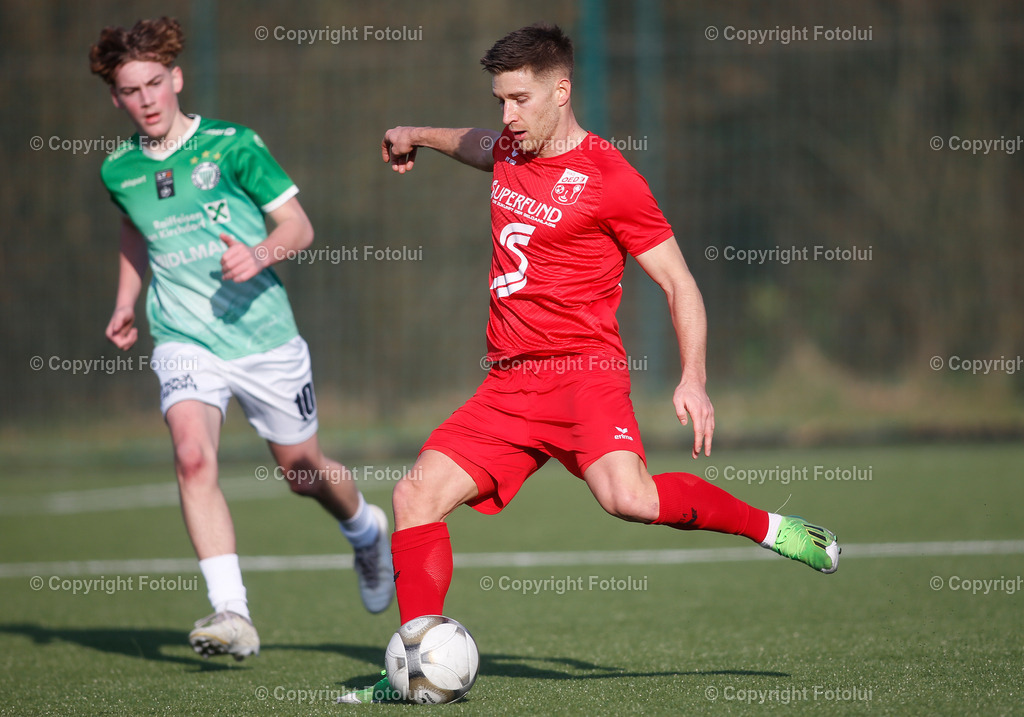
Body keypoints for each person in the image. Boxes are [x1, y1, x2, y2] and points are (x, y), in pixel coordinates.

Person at [339, 23, 839, 703]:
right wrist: (414, 134)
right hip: (508, 383)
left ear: (562, 90)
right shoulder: (514, 145)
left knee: (628, 498)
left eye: (519, 99)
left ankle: (773, 527)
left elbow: (680, 284)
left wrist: (693, 375)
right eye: (499, 100)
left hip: (582, 375)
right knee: (413, 496)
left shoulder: (610, 178)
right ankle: (416, 667)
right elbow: (478, 145)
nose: (506, 115)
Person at [89, 17, 393, 661]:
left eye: (154, 83)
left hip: (263, 338)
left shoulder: (232, 147)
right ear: (116, 98)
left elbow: (298, 227)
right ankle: (233, 612)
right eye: (130, 89)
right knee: (193, 458)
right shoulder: (119, 170)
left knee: (302, 472)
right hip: (182, 338)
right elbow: (135, 231)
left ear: (176, 79)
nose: (145, 99)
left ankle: (367, 530)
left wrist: (258, 253)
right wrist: (126, 300)